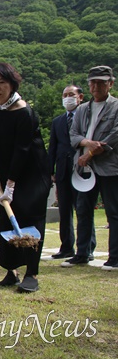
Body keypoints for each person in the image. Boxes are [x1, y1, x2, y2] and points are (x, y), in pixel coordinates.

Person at [0, 62, 51, 293]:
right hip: (6, 168)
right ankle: (11, 271)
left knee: (28, 216)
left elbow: (23, 150)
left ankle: (32, 273)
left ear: (12, 84)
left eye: (2, 82)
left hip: (31, 171)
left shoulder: (24, 112)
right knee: (4, 217)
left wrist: (10, 186)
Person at [62, 66, 118, 271]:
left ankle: (115, 257)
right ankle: (82, 253)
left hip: (109, 166)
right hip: (84, 168)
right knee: (83, 210)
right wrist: (87, 143)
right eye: (93, 82)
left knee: (113, 211)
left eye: (101, 82)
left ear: (110, 83)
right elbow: (73, 134)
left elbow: (114, 135)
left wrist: (91, 152)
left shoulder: (116, 106)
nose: (96, 86)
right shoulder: (83, 109)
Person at [48, 85, 85, 259]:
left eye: (71, 94)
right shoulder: (57, 121)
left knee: (83, 209)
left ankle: (85, 248)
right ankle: (66, 247)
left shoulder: (86, 116)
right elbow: (53, 149)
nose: (67, 98)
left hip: (82, 169)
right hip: (62, 171)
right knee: (64, 210)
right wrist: (50, 171)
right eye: (65, 95)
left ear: (80, 97)